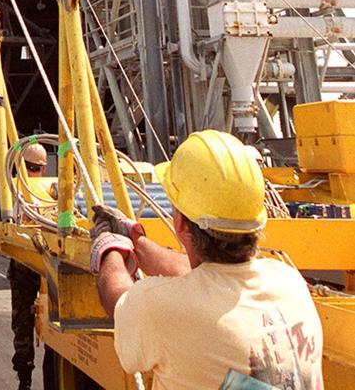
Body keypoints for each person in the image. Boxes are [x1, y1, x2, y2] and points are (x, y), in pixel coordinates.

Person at [90, 130, 324, 389]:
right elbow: (203, 281)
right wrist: (138, 242)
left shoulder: (159, 309)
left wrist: (109, 248)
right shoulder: (290, 283)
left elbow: (120, 300)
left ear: (180, 223)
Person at [7, 141, 56, 390]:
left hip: (23, 262)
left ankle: (24, 378)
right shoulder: (52, 188)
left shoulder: (14, 186)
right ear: (43, 167)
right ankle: (54, 367)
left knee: (23, 320)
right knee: (53, 318)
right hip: (48, 261)